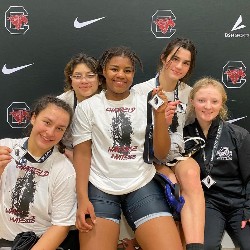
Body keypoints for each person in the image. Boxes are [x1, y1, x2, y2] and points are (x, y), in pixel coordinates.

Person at [72, 46, 183, 250]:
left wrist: (160, 117)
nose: (121, 75)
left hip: (142, 184)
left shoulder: (148, 102)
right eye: (114, 69)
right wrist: (82, 198)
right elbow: (82, 154)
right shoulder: (88, 107)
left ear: (133, 73)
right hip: (100, 187)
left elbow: (160, 153)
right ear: (103, 71)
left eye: (128, 70)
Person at [132, 37, 205, 249]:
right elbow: (135, 139)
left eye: (186, 62)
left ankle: (195, 245)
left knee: (191, 173)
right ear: (164, 58)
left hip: (176, 154)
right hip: (149, 157)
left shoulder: (189, 93)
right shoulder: (139, 91)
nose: (179, 66)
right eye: (175, 59)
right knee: (171, 181)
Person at [0, 96, 77, 250]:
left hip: (39, 244)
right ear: (33, 118)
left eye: (59, 128)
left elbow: (61, 226)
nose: (50, 132)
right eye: (47, 123)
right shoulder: (4, 147)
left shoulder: (64, 169)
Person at [184, 77, 250, 250]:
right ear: (192, 101)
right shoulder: (184, 136)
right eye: (201, 100)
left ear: (222, 103)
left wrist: (249, 208)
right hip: (209, 204)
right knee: (205, 247)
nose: (207, 106)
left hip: (239, 203)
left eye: (214, 101)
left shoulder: (239, 135)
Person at [58, 52, 102, 161]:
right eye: (77, 76)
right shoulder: (60, 103)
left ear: (100, 79)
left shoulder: (111, 101)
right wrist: (64, 152)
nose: (84, 81)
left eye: (90, 75)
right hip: (67, 157)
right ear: (71, 80)